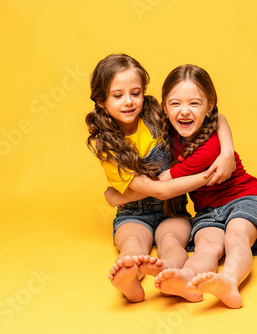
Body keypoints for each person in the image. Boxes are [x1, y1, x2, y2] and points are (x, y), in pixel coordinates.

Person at [105, 64, 257, 309]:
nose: (184, 111)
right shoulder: (169, 131)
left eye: (194, 104)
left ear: (209, 106)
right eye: (175, 104)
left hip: (242, 198)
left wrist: (119, 195)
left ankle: (230, 280)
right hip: (207, 210)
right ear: (164, 107)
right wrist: (229, 150)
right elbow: (221, 118)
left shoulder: (208, 149)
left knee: (236, 237)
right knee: (207, 246)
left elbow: (163, 185)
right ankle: (185, 278)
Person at [85, 54, 236, 303]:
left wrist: (227, 152)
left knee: (172, 240)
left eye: (135, 93)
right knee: (133, 242)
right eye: (117, 95)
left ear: (144, 93)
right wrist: (209, 175)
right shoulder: (107, 147)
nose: (128, 102)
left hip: (172, 210)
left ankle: (169, 272)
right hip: (133, 213)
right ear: (101, 101)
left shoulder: (154, 114)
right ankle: (128, 277)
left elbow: (216, 117)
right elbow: (160, 190)